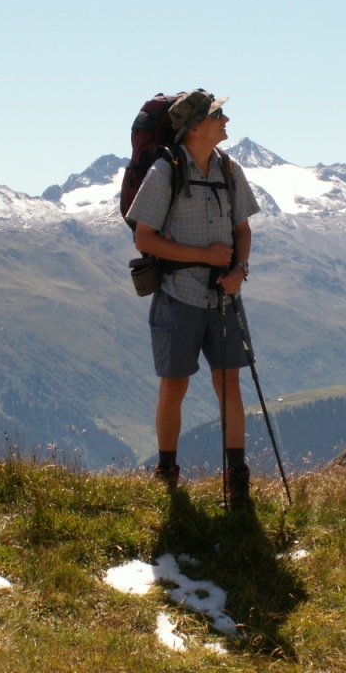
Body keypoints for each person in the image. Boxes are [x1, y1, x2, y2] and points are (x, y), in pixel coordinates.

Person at [126, 89, 261, 508]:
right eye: (218, 116)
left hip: (223, 295)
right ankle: (166, 475)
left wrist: (240, 269)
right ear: (195, 127)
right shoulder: (165, 171)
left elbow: (242, 229)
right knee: (174, 386)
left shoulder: (229, 169)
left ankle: (236, 483)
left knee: (229, 385)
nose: (226, 121)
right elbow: (145, 238)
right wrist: (205, 257)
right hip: (177, 294)